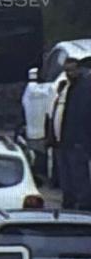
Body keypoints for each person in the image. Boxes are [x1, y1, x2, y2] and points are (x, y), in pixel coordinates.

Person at [51, 58, 91, 210]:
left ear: (79, 69)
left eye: (72, 70)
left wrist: (83, 139)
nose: (69, 73)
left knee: (78, 176)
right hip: (62, 141)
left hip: (77, 141)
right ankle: (69, 202)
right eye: (66, 70)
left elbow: (83, 115)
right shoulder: (65, 87)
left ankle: (83, 206)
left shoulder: (84, 88)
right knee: (65, 177)